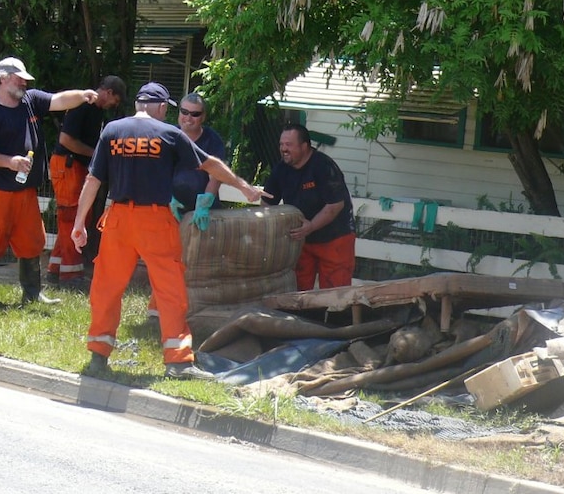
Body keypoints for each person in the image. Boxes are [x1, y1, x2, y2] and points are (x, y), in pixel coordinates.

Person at [70, 82, 267, 380]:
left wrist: (79, 223)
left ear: (138, 104)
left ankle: (98, 357)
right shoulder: (169, 134)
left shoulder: (111, 131)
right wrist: (244, 186)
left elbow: (93, 180)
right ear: (162, 107)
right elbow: (210, 165)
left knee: (106, 288)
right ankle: (177, 362)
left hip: (119, 219)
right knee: (170, 290)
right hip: (156, 220)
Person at [0, 56, 99, 312]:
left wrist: (83, 95)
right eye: (19, 78)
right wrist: (9, 162)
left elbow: (59, 100)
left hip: (25, 192)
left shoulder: (30, 101)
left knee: (31, 241)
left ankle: (32, 294)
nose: (24, 83)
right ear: (3, 79)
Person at [147, 92, 227, 322]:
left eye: (195, 114)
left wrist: (206, 203)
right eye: (184, 112)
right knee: (165, 257)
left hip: (202, 210)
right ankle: (158, 309)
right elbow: (156, 173)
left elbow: (217, 174)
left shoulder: (213, 140)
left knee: (198, 260)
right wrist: (166, 198)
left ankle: (192, 309)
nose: (188, 118)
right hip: (170, 207)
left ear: (203, 117)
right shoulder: (167, 136)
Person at [47, 75, 126, 291]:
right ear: (108, 92)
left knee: (75, 216)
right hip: (67, 164)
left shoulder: (96, 111)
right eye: (115, 101)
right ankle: (71, 277)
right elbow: (66, 140)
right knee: (71, 218)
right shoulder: (83, 104)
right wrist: (97, 155)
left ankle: (55, 270)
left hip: (76, 166)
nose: (113, 106)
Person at [262, 123, 356, 291]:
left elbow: (335, 205)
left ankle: (337, 318)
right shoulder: (280, 170)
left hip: (335, 239)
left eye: (289, 145)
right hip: (301, 240)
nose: (284, 149)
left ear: (305, 146)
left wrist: (311, 226)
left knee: (336, 294)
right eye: (281, 144)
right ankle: (303, 317)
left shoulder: (324, 166)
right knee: (298, 290)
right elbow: (266, 203)